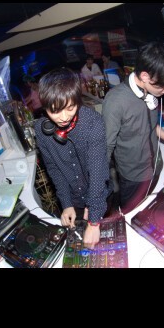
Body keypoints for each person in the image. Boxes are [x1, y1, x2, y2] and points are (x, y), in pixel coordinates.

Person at [102, 42, 164, 215]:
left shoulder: (150, 92)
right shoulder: (116, 101)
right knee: (131, 214)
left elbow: (150, 124)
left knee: (152, 210)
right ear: (145, 76)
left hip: (156, 165)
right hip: (134, 177)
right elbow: (105, 147)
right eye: (163, 86)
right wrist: (97, 189)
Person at [34, 67, 112, 249]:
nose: (63, 117)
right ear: (45, 108)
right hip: (74, 199)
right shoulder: (41, 130)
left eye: (70, 108)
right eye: (55, 111)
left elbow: (97, 173)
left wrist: (94, 221)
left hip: (100, 197)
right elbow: (54, 169)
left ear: (77, 101)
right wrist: (66, 204)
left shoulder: (93, 123)